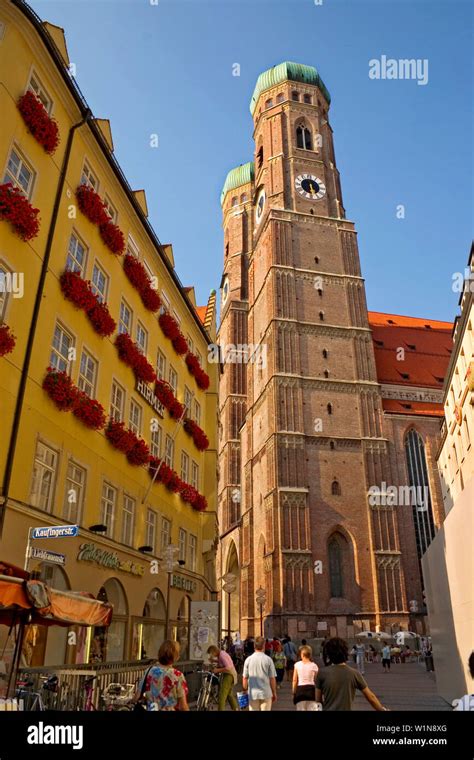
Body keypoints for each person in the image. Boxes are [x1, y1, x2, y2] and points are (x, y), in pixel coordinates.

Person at [316, 638, 388, 711]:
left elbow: (318, 700)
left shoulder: (322, 673)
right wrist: (382, 709)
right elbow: (371, 697)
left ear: (329, 654)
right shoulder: (354, 673)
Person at [138, 640, 189, 711]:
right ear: (176, 657)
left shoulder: (149, 671)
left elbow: (137, 696)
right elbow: (183, 706)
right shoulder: (177, 675)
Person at [242, 635, 277, 711]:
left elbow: (245, 678)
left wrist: (245, 690)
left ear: (254, 646)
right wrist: (274, 692)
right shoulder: (268, 660)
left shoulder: (248, 660)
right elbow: (272, 678)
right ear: (264, 646)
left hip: (252, 694)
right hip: (266, 693)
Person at [207, 644, 238, 711]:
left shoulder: (222, 655)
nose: (212, 656)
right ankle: (236, 709)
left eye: (211, 654)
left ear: (214, 652)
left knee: (222, 695)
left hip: (229, 675)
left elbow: (228, 667)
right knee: (229, 694)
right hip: (231, 674)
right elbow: (224, 663)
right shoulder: (221, 654)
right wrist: (214, 661)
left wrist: (217, 670)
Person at [292, 645, 319, 711]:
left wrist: (294, 692)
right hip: (311, 691)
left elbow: (295, 680)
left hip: (300, 691)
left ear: (302, 655)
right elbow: (317, 681)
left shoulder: (297, 665)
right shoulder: (314, 666)